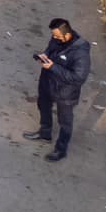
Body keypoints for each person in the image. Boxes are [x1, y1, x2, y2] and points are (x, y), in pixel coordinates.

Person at [23, 18, 89, 161]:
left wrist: (53, 67)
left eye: (58, 36)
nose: (55, 38)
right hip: (47, 83)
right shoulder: (56, 38)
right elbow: (50, 48)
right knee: (43, 107)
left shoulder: (80, 53)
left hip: (65, 93)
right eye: (54, 35)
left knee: (65, 121)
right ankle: (45, 133)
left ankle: (61, 149)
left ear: (67, 34)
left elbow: (78, 78)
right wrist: (44, 55)